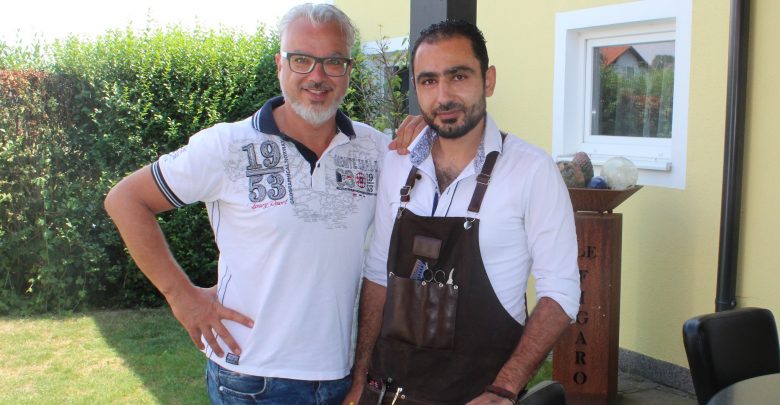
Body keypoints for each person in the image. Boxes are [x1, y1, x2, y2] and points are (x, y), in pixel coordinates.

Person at [104, 4, 423, 404]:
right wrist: (181, 296)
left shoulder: (375, 149)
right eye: (301, 59)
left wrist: (427, 131)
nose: (317, 76)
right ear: (279, 65)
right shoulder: (227, 146)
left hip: (341, 375)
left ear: (349, 70)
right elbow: (126, 199)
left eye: (333, 62)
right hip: (253, 379)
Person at [345, 20, 581, 405]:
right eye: (429, 81)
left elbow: (561, 292)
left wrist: (504, 388)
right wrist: (359, 379)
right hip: (387, 394)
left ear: (488, 80)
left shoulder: (531, 171)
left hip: (480, 396)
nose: (444, 96)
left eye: (458, 76)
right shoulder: (397, 164)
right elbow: (377, 277)